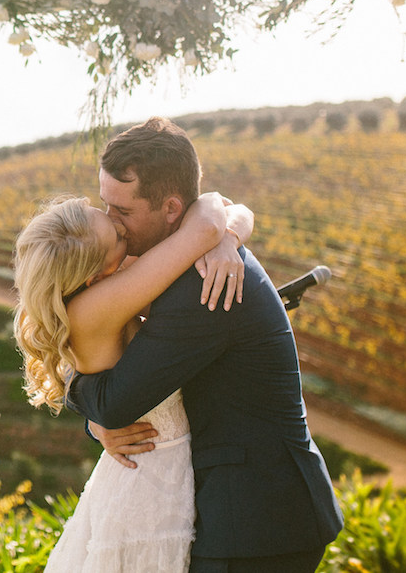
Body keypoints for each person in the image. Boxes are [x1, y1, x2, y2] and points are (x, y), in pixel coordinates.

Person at [70, 116, 343, 572]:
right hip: (246, 508)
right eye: (106, 205)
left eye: (123, 211)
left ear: (172, 208)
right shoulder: (179, 259)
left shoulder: (203, 285)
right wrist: (223, 225)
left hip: (259, 516)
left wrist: (79, 399)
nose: (111, 221)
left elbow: (116, 402)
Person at [13, 188, 247, 572]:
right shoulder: (102, 301)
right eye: (117, 237)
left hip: (148, 474)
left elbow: (229, 211)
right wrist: (224, 237)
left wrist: (230, 237)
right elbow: (209, 219)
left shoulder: (90, 297)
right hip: (149, 487)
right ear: (95, 275)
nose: (122, 226)